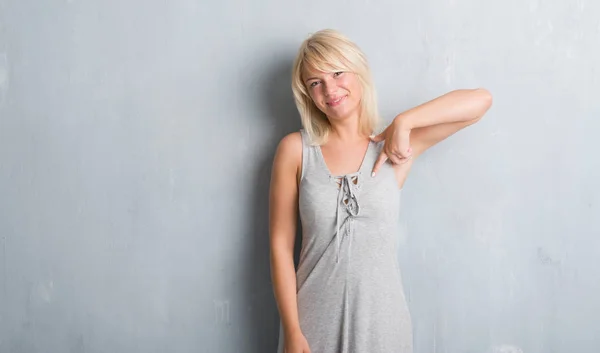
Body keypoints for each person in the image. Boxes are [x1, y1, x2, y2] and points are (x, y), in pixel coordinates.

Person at [269, 29, 493, 353]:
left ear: (358, 71)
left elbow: (481, 101)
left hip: (384, 326)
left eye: (337, 73)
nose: (330, 89)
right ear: (307, 94)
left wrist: (405, 121)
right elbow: (279, 245)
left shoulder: (392, 149)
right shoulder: (295, 150)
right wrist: (292, 331)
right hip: (310, 326)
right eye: (315, 82)